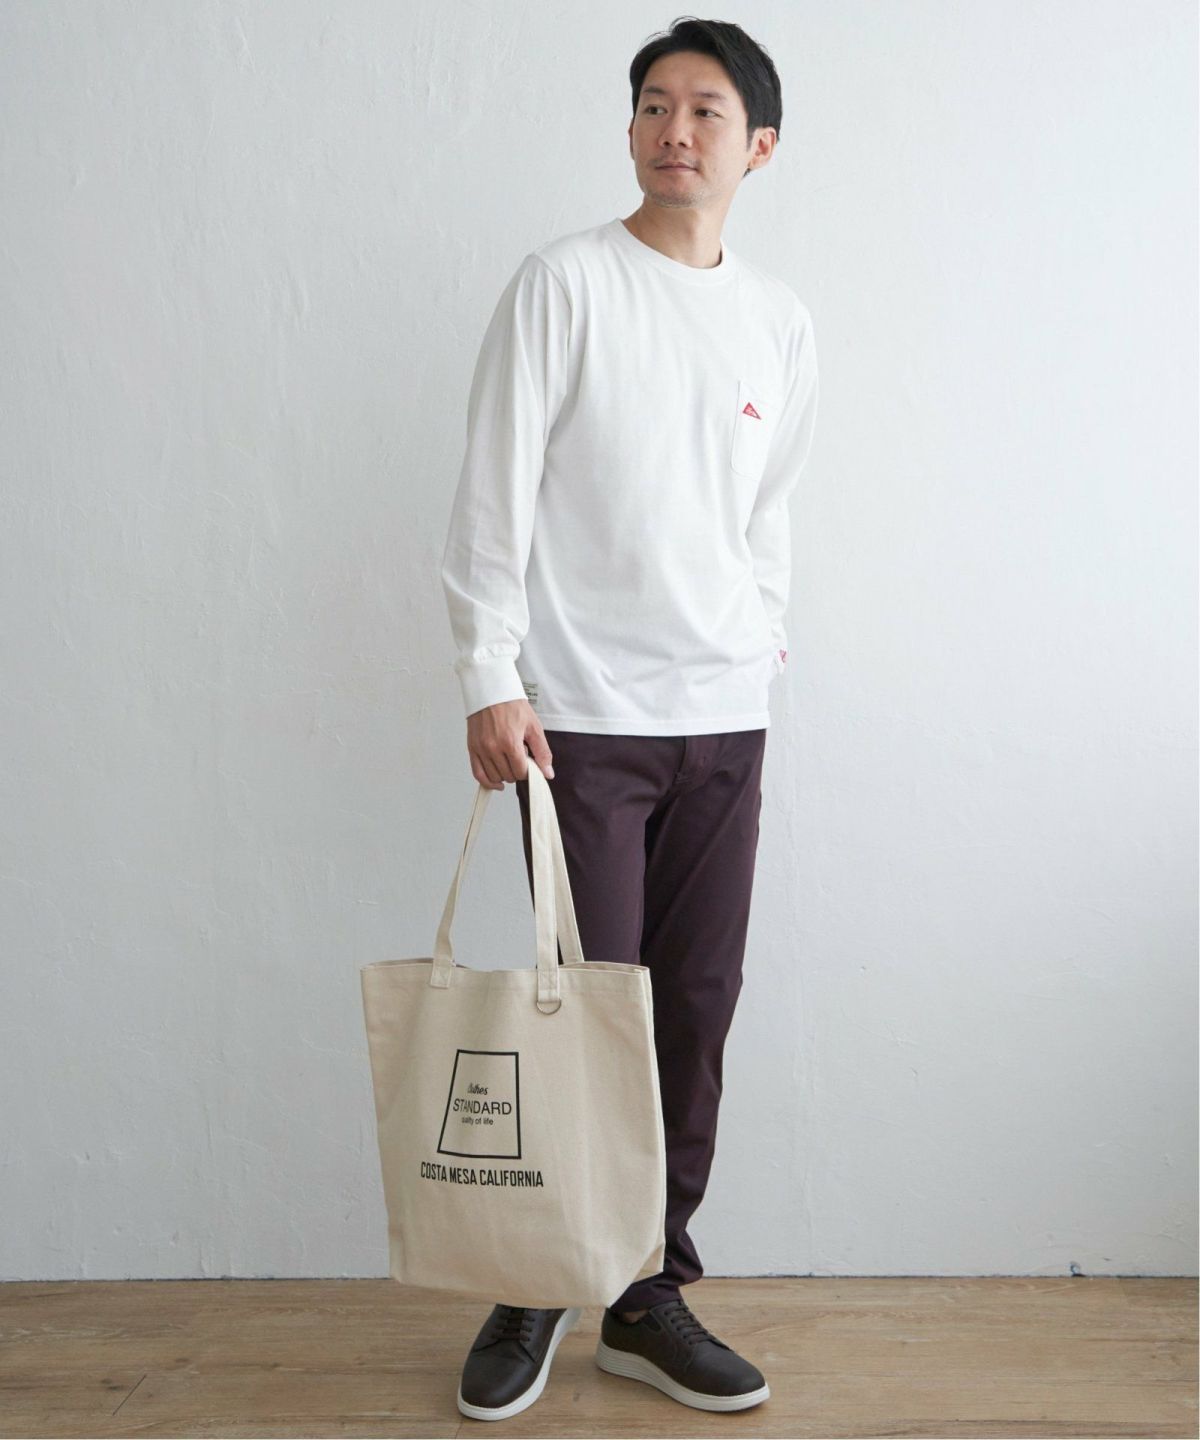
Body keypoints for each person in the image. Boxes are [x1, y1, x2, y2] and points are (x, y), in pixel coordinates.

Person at [440, 16, 818, 1423]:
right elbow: (492, 491)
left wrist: (759, 645)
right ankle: (543, 1275)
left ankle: (647, 1292)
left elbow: (768, 513)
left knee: (693, 1011)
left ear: (757, 146)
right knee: (579, 1014)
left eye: (707, 111)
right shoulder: (566, 286)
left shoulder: (779, 321)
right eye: (655, 105)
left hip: (724, 719)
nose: (676, 130)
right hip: (580, 720)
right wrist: (489, 673)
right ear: (632, 128)